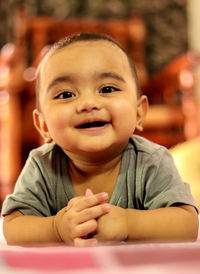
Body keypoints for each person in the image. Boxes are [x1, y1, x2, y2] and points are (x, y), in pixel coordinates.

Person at [1, 33, 199, 246]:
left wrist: (127, 223)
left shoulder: (152, 160)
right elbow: (12, 226)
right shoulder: (42, 165)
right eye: (66, 94)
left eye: (107, 89)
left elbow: (187, 224)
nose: (88, 103)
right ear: (43, 125)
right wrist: (55, 228)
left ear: (139, 112)